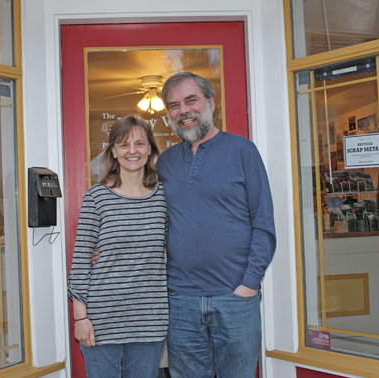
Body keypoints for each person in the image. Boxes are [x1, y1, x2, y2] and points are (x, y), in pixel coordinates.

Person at [157, 72, 276, 378]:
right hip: (180, 300)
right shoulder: (165, 162)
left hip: (235, 299)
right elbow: (148, 218)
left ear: (211, 102)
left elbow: (263, 223)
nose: (183, 110)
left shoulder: (242, 151)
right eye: (174, 105)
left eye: (191, 100)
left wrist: (249, 285)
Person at [67, 115, 169, 378]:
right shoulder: (96, 197)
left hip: (149, 320)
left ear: (150, 149)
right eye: (124, 145)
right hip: (101, 320)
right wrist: (80, 318)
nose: (132, 151)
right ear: (112, 150)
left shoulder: (163, 196)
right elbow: (80, 262)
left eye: (140, 144)